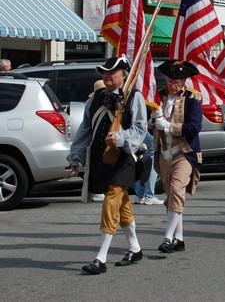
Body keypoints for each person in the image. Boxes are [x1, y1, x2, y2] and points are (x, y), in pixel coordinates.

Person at [67, 56, 147, 275]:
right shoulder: (96, 98)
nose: (107, 76)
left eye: (112, 72)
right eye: (104, 72)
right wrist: (76, 155)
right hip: (101, 158)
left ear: (124, 76)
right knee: (122, 206)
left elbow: (140, 130)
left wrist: (120, 138)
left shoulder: (134, 97)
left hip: (124, 158)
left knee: (112, 198)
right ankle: (135, 248)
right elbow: (85, 129)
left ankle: (101, 257)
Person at [152, 60, 203, 254]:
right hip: (164, 152)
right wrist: (153, 121)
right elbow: (151, 124)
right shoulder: (158, 97)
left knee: (176, 189)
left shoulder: (193, 99)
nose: (173, 85)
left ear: (184, 82)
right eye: (170, 81)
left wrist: (168, 126)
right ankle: (179, 238)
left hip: (184, 152)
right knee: (171, 195)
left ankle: (167, 237)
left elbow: (194, 127)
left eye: (177, 82)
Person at [134, 130, 163, 205]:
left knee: (139, 157)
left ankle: (139, 195)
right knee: (153, 157)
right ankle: (149, 196)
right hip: (147, 129)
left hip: (136, 129)